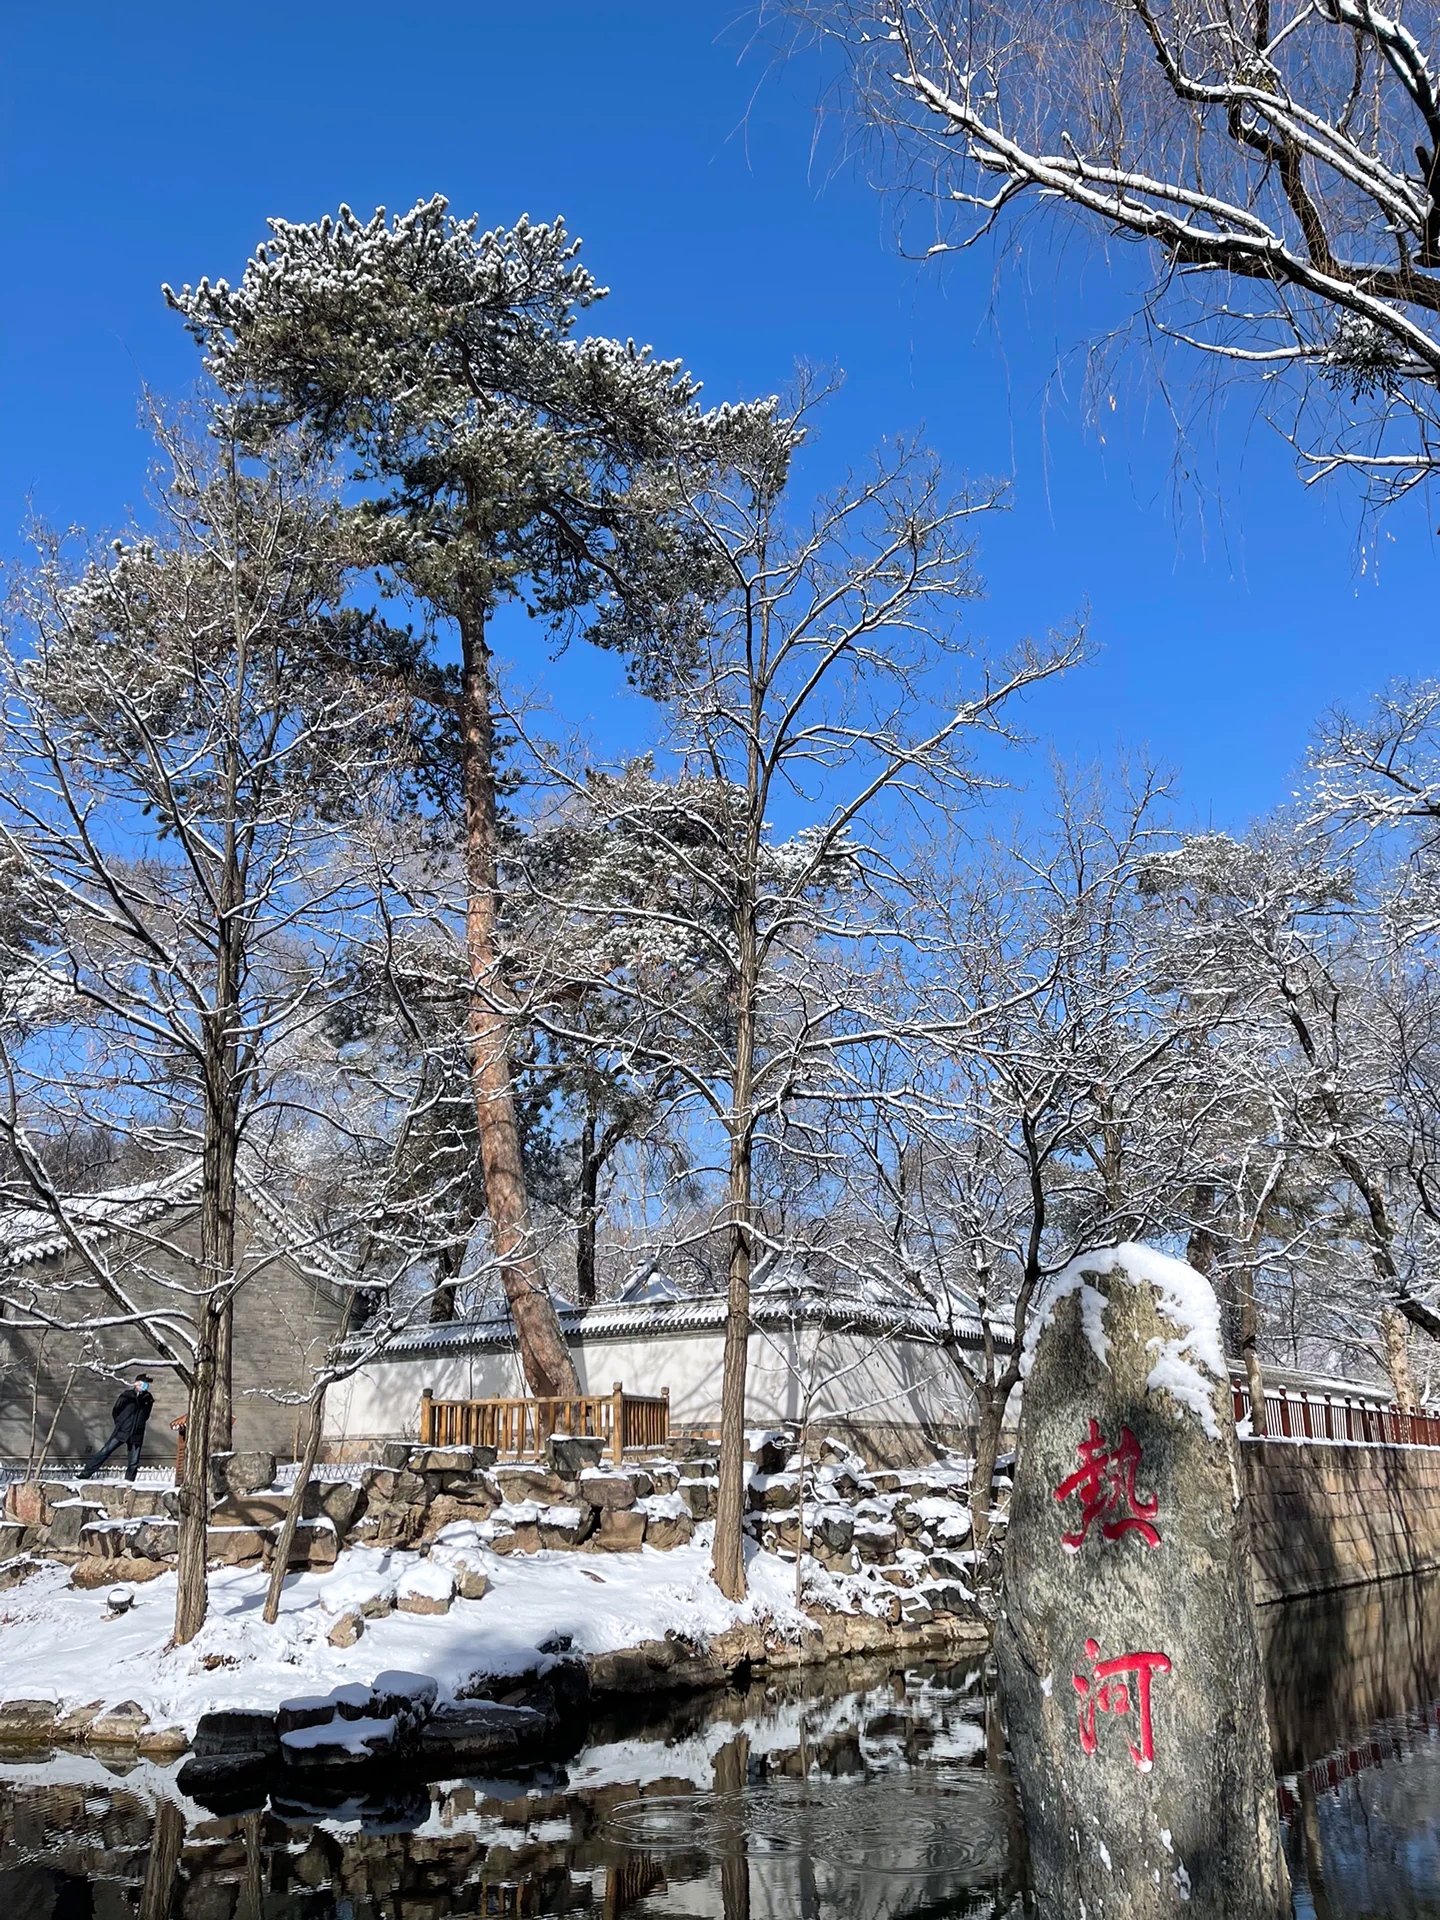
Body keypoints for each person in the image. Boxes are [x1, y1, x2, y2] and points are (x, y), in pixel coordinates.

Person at [82, 1374, 155, 1481]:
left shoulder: (148, 1399)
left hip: (137, 1434)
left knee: (134, 1461)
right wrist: (120, 1423)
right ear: (137, 1383)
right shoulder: (127, 1396)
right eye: (144, 1383)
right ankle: (85, 1473)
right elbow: (116, 1410)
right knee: (105, 1451)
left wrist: (139, 1424)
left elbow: (146, 1415)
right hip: (122, 1430)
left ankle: (129, 1481)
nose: (146, 1386)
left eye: (147, 1384)